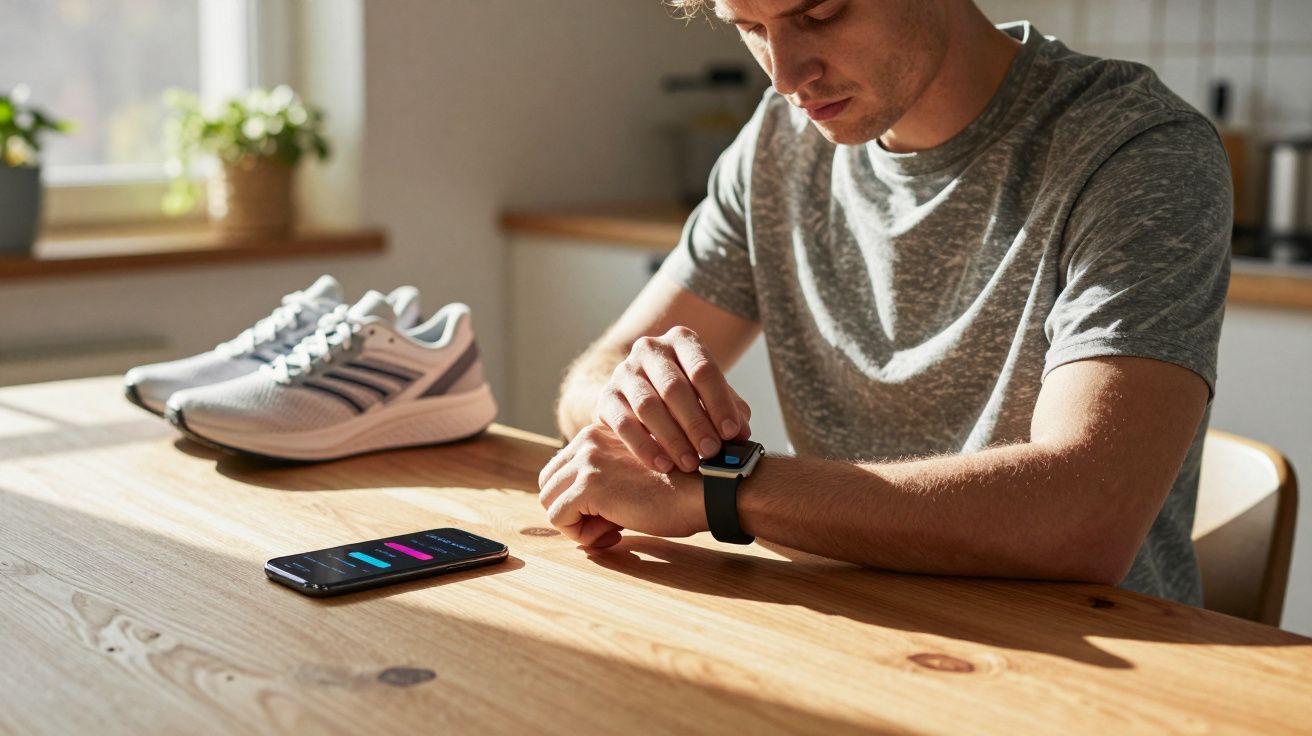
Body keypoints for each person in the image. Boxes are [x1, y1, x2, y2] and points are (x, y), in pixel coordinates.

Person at [537, 0, 1230, 605]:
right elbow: (593, 379)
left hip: (1091, 667)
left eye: (821, 13)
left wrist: (725, 490)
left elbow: (1083, 516)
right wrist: (635, 403)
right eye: (750, 26)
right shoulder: (779, 142)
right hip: (849, 629)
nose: (785, 76)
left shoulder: (1136, 150)